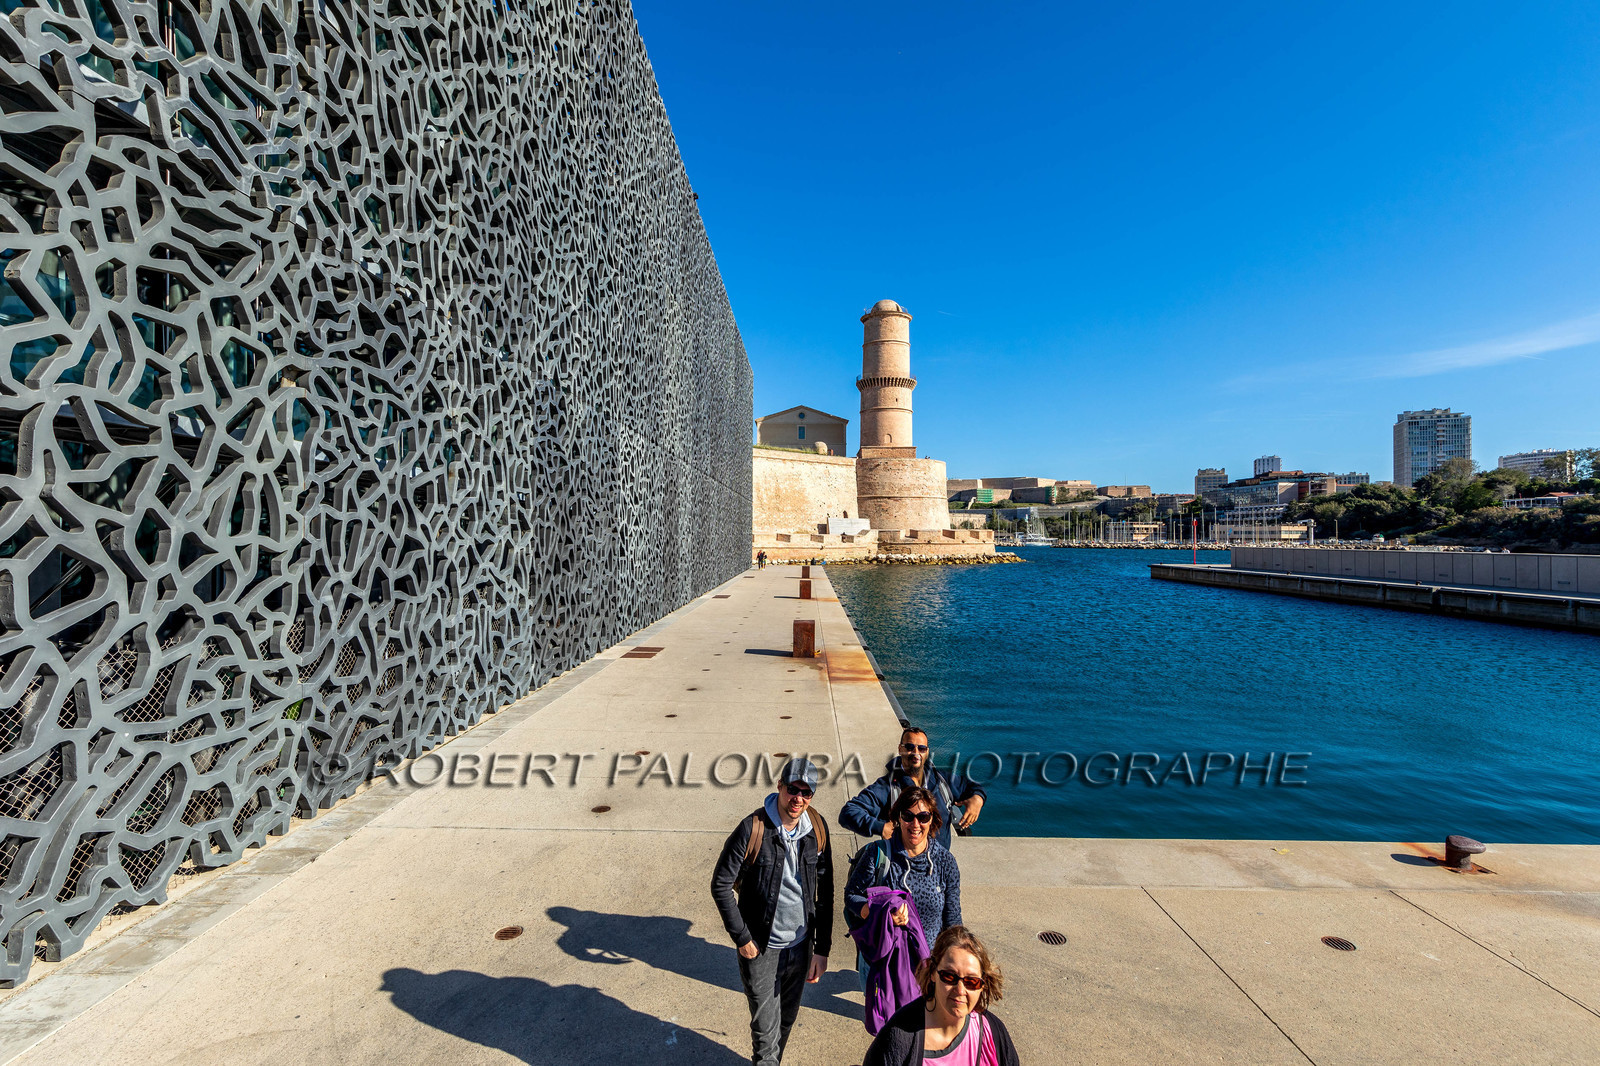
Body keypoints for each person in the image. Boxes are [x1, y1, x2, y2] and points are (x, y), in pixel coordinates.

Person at [711, 757, 834, 1066]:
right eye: (793, 789)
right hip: (762, 948)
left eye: (806, 793)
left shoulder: (817, 829)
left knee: (785, 1024)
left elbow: (826, 893)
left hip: (801, 947)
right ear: (780, 786)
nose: (798, 799)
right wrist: (743, 939)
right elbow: (720, 885)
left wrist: (822, 948)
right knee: (765, 1038)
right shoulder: (752, 828)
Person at [863, 925, 1019, 1066]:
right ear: (932, 972)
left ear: (983, 984)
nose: (960, 990)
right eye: (949, 977)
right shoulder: (899, 1037)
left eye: (971, 981)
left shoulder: (993, 1032)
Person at [845, 786, 961, 971]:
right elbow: (851, 896)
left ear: (932, 819)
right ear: (898, 818)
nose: (915, 824)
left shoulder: (945, 861)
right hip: (882, 965)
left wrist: (955, 959)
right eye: (908, 816)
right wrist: (880, 914)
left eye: (923, 817)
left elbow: (952, 918)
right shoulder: (878, 853)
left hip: (927, 967)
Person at [840, 726, 986, 850]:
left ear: (927, 752)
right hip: (902, 868)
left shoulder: (943, 780)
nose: (916, 753)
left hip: (939, 867)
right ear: (900, 749)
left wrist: (977, 799)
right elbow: (848, 812)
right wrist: (879, 827)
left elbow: (973, 786)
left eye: (921, 748)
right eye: (910, 747)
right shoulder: (887, 787)